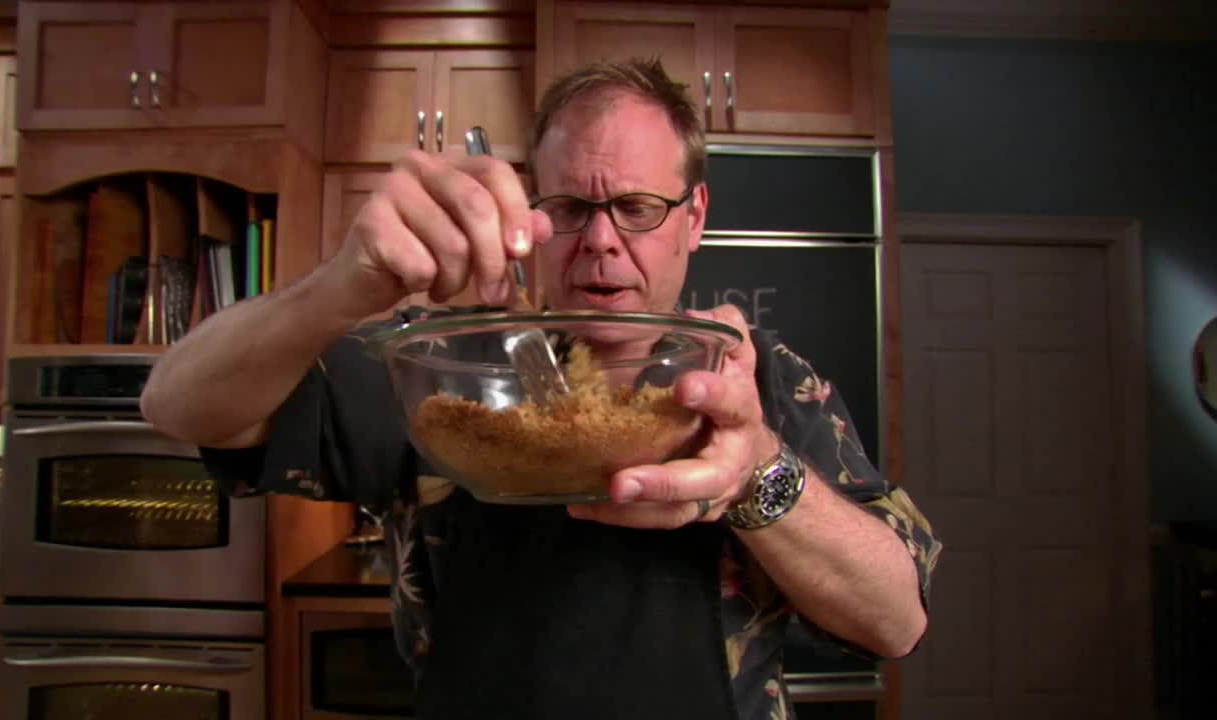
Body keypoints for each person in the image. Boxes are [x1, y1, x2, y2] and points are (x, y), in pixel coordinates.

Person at [141, 58, 941, 720]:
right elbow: (175, 406)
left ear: (694, 216)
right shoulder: (437, 365)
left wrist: (757, 471)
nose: (601, 241)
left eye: (636, 207)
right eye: (569, 207)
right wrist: (341, 286)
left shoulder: (760, 379)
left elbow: (898, 620)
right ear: (532, 214)